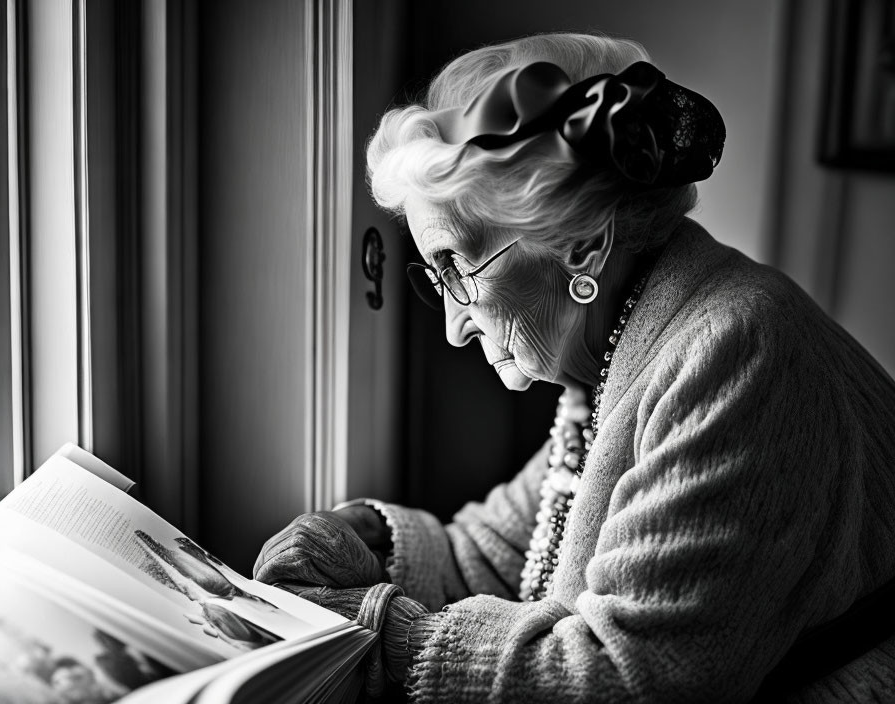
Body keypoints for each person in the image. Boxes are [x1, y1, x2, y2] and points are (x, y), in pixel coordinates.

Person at [254, 32, 895, 702]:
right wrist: (367, 539)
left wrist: (381, 634)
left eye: (458, 268)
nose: (453, 326)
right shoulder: (621, 347)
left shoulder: (736, 349)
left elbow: (633, 676)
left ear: (584, 246)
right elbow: (507, 554)